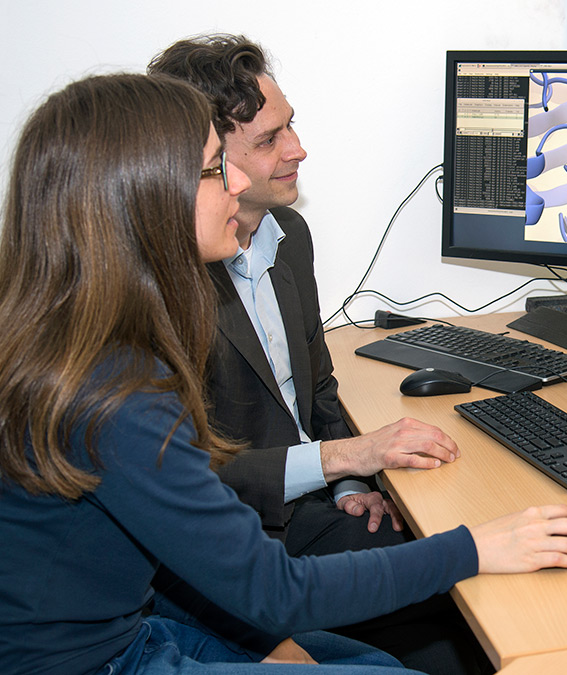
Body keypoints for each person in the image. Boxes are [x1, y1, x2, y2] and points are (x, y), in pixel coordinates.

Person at [0, 72, 567, 675]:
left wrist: (262, 629)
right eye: (217, 168)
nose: (238, 182)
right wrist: (478, 547)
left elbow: (171, 549)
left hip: (129, 621)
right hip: (96, 659)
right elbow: (273, 589)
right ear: (142, 198)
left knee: (370, 661)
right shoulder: (115, 390)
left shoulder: (82, 341)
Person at [146, 34, 478, 673]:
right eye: (268, 140)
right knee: (469, 581)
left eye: (289, 126)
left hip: (315, 509)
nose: (297, 149)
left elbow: (318, 389)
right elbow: (188, 479)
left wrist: (355, 481)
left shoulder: (287, 235)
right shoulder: (165, 285)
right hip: (241, 543)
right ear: (207, 161)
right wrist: (345, 457)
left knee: (469, 558)